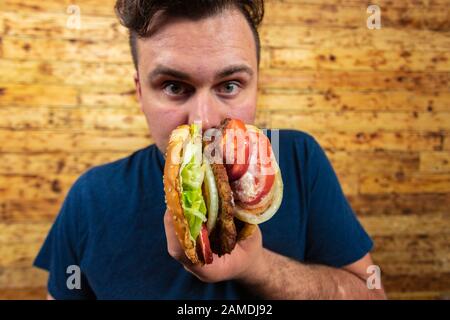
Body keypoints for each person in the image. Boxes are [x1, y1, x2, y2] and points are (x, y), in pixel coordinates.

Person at [34, 0, 386, 299]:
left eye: (230, 85)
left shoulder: (298, 158)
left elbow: (371, 292)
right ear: (140, 92)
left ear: (257, 86)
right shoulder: (90, 198)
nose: (204, 121)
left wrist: (259, 266)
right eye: (174, 86)